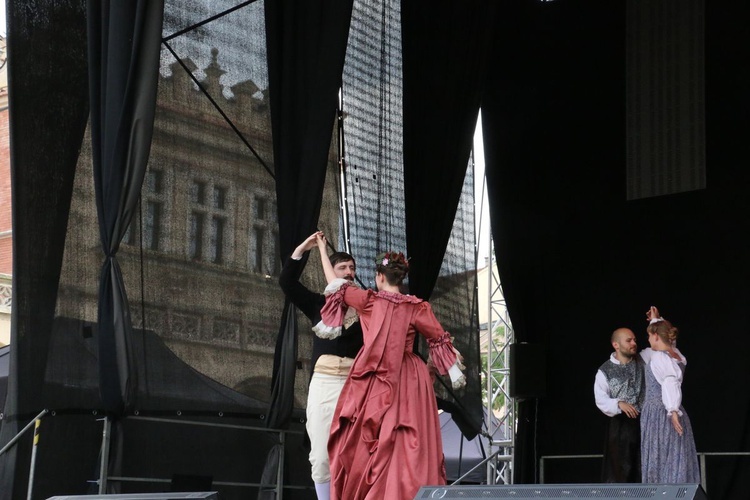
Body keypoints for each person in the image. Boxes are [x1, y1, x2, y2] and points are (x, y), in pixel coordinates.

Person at [313, 250, 466, 500]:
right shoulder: (417, 307)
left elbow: (335, 284)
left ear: (379, 277)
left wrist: (321, 249)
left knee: (370, 440)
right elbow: (438, 338)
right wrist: (452, 367)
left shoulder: (368, 301)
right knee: (407, 440)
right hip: (408, 377)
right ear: (399, 278)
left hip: (374, 374)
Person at [278, 231, 364, 500]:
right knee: (320, 452)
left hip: (356, 383)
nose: (349, 272)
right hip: (325, 382)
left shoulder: (367, 308)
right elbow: (287, 282)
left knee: (358, 450)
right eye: (343, 267)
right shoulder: (319, 303)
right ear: (332, 271)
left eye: (352, 268)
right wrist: (304, 247)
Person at [640, 306, 700, 483]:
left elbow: (670, 381)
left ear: (656, 336)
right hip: (668, 409)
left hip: (660, 413)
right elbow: (668, 341)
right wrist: (655, 320)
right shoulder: (676, 355)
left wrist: (673, 410)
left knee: (662, 456)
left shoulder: (660, 357)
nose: (648, 339)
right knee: (673, 455)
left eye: (650, 335)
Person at [594, 327, 645, 483]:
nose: (634, 343)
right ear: (616, 345)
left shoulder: (643, 361)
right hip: (621, 426)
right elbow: (600, 399)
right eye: (629, 340)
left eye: (634, 340)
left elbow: (664, 346)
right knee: (622, 469)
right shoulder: (604, 370)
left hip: (645, 422)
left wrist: (656, 322)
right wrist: (619, 403)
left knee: (644, 467)